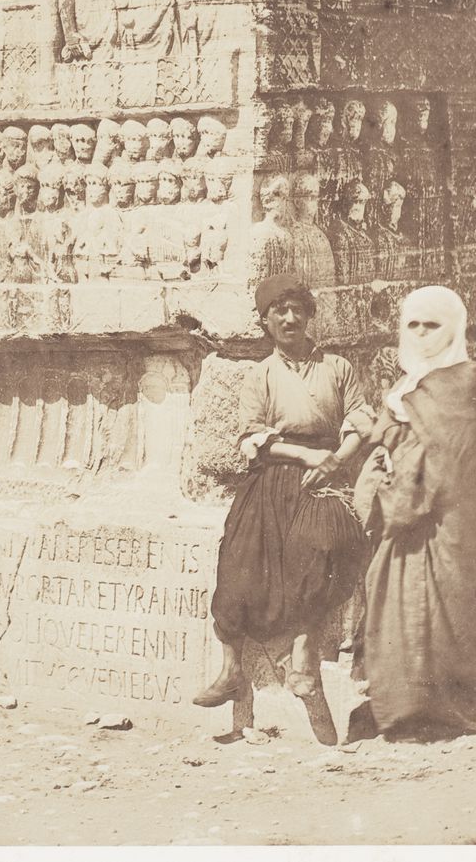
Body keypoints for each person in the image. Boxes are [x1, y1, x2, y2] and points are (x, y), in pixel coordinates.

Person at [194, 274, 373, 707]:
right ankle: (232, 668)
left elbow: (361, 421)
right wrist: (306, 457)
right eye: (280, 312)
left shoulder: (337, 368)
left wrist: (336, 459)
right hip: (273, 475)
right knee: (238, 554)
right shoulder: (261, 376)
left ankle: (304, 654)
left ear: (309, 315)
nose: (290, 319)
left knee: (324, 546)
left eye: (297, 310)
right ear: (266, 322)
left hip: (326, 480)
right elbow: (252, 436)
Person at [355, 285, 476, 739]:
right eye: (412, 324)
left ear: (453, 328)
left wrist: (397, 477)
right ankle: (404, 708)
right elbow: (393, 438)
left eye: (432, 325)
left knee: (443, 609)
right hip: (405, 507)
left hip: (445, 517)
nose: (420, 334)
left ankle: (443, 708)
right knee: (399, 603)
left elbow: (448, 457)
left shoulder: (464, 381)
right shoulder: (409, 385)